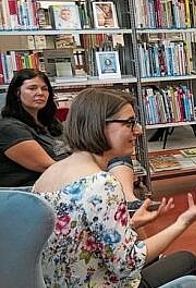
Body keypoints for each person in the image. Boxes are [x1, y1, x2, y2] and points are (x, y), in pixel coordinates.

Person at [32, 88, 196, 288]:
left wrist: (130, 224)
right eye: (129, 123)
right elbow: (129, 263)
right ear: (100, 125)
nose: (139, 130)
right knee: (186, 261)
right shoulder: (101, 183)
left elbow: (77, 238)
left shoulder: (48, 176)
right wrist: (182, 222)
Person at [0, 70, 138, 204]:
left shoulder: (50, 122)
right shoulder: (9, 128)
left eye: (44, 89)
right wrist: (93, 173)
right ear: (17, 93)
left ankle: (128, 198)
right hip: (39, 194)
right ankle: (122, 198)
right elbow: (46, 166)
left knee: (116, 148)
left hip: (78, 177)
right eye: (32, 88)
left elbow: (78, 145)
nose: (40, 93)